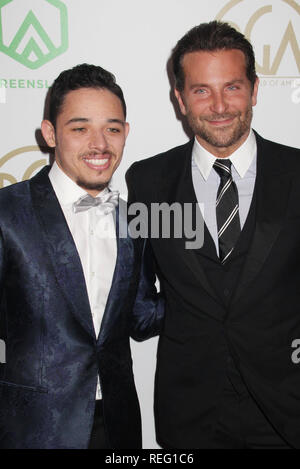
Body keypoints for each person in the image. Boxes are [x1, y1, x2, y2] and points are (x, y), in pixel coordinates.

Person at [126, 21, 300, 449]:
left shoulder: (297, 174)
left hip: (288, 408)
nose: (219, 105)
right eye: (202, 90)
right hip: (189, 412)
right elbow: (138, 291)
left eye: (233, 88)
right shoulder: (148, 181)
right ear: (180, 99)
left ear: (255, 90)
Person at [0, 63, 163, 449]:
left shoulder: (134, 218)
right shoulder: (8, 212)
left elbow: (140, 317)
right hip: (32, 427)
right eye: (79, 128)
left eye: (112, 128)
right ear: (50, 134)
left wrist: (219, 293)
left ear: (126, 132)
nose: (100, 144)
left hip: (118, 426)